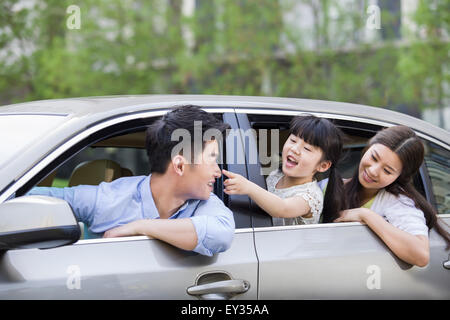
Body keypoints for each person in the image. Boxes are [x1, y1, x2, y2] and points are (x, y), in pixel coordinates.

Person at [27, 105, 235, 257]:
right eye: (212, 159)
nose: (218, 172)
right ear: (180, 165)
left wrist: (140, 227)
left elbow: (221, 235)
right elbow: (22, 198)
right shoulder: (108, 199)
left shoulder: (204, 203)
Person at [334, 125, 450, 267]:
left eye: (387, 171)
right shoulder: (333, 186)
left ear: (399, 176)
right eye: (374, 157)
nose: (373, 171)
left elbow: (421, 255)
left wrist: (366, 215)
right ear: (368, 148)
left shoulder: (397, 202)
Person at [222, 115, 345, 225]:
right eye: (293, 140)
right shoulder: (276, 175)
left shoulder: (310, 197)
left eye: (307, 148)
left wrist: (248, 187)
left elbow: (282, 208)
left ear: (323, 166)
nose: (295, 149)